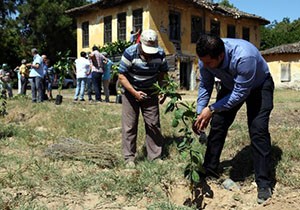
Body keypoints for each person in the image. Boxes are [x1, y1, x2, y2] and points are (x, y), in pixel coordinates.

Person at [193, 34, 274, 204]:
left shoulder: (244, 56)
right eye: (203, 62)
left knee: (258, 129)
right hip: (230, 85)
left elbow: (240, 93)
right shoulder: (205, 59)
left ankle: (264, 183)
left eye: (209, 63)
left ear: (220, 56)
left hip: (258, 86)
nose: (205, 65)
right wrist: (200, 112)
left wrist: (212, 108)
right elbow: (206, 85)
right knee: (218, 124)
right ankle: (210, 169)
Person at [118, 29, 169, 167]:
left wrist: (163, 90)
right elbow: (121, 76)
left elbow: (163, 73)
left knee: (153, 124)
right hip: (130, 93)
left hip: (151, 93)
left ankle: (155, 156)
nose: (148, 53)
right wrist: (134, 93)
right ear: (140, 43)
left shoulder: (160, 53)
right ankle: (129, 158)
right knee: (130, 125)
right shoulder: (130, 52)